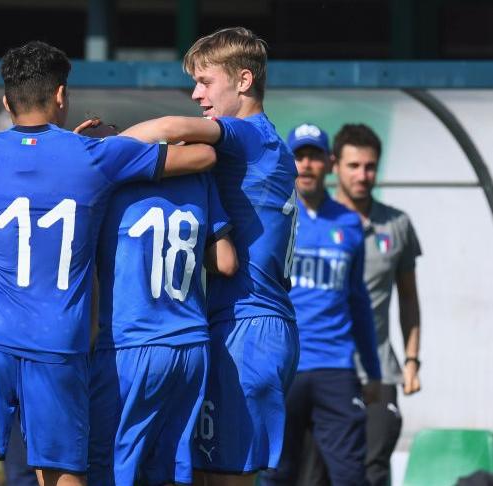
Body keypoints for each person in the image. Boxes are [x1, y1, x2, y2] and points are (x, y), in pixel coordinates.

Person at [0, 40, 217, 486]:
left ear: (6, 101)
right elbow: (204, 153)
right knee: (62, 473)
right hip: (57, 340)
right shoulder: (97, 158)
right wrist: (121, 141)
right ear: (61, 95)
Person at [120, 27, 299, 485]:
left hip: (248, 327)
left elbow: (170, 129)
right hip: (246, 323)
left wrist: (96, 154)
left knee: (224, 479)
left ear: (243, 81)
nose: (196, 94)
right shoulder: (261, 143)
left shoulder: (249, 135)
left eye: (205, 81)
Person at [88, 165, 238, 484]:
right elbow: (226, 261)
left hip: (132, 345)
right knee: (166, 470)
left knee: (109, 466)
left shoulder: (109, 177)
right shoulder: (199, 179)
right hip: (191, 347)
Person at [260, 124, 382, 486]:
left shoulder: (349, 222)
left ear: (329, 163)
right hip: (284, 364)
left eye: (314, 157)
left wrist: (372, 371)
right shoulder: (270, 215)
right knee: (276, 473)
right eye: (300, 156)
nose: (307, 165)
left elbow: (358, 301)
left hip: (336, 367)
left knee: (350, 475)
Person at [334, 123, 422, 485]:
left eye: (370, 166)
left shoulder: (397, 224)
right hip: (326, 367)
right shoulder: (311, 222)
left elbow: (409, 299)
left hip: (380, 371)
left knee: (373, 471)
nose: (362, 175)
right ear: (334, 165)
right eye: (353, 166)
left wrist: (413, 361)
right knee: (316, 472)